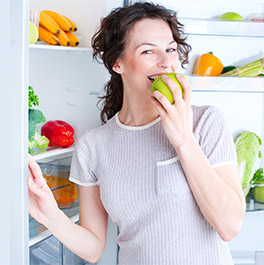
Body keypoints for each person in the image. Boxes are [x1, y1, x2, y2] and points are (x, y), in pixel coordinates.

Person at [28, 2, 246, 264]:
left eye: (171, 49)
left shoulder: (205, 121)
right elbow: (94, 246)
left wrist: (184, 140)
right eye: (148, 51)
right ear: (118, 63)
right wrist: (51, 215)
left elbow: (230, 225)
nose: (166, 62)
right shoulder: (94, 145)